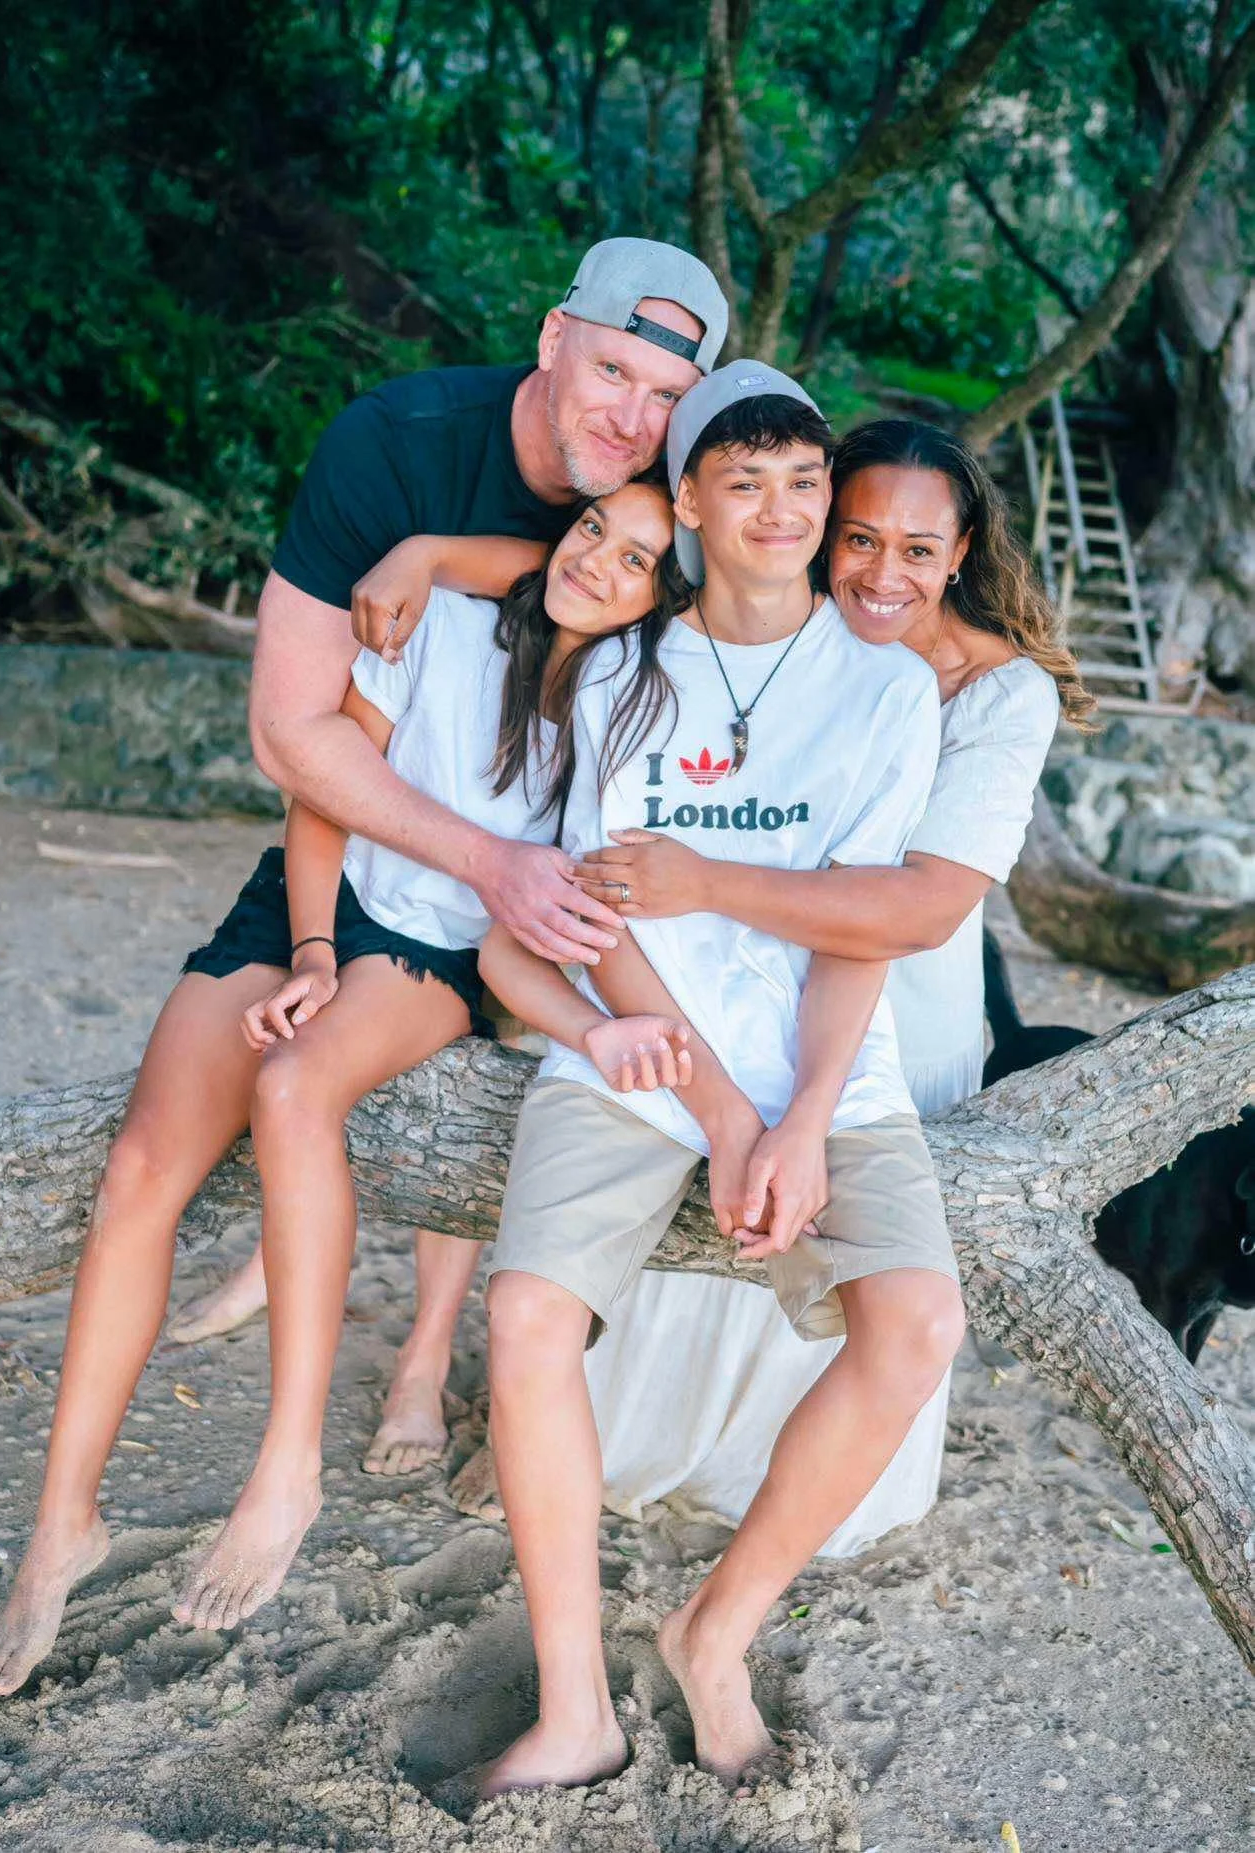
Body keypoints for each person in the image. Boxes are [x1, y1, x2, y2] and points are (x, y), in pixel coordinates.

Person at [0, 481, 687, 1699]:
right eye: (591, 531)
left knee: (296, 1085)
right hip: (313, 896)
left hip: (439, 947)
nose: (597, 563)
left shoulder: (628, 703)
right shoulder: (447, 618)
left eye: (636, 562)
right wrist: (309, 952)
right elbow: (323, 797)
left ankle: (286, 1465)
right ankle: (62, 1525)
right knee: (140, 1167)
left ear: (660, 600)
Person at [168, 236, 729, 1483]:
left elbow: (628, 580)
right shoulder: (420, 446)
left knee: (490, 1070)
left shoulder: (659, 515)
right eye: (616, 373)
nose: (634, 415)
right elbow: (301, 735)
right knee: (336, 1042)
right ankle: (288, 1252)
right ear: (555, 340)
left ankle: (423, 1354)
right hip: (428, 851)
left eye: (666, 396)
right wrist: (424, 550)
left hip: (545, 888)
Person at [477, 367, 964, 1794]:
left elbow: (862, 923)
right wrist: (723, 1114)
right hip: (644, 1055)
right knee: (525, 1316)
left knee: (918, 1328)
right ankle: (575, 1705)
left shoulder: (885, 685)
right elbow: (602, 918)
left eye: (804, 482)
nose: (781, 510)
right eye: (744, 482)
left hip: (828, 1068)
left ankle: (716, 1631)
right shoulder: (624, 673)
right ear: (687, 501)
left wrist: (801, 1117)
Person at [570, 418, 1093, 1552]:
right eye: (859, 538)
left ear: (962, 554)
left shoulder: (1001, 696)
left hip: (904, 1016)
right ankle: (651, 1442)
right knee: (705, 1236)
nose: (882, 573)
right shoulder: (762, 650)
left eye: (918, 549)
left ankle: (800, 1491)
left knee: (848, 1266)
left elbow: (921, 909)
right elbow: (565, 578)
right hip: (738, 1001)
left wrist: (704, 880)